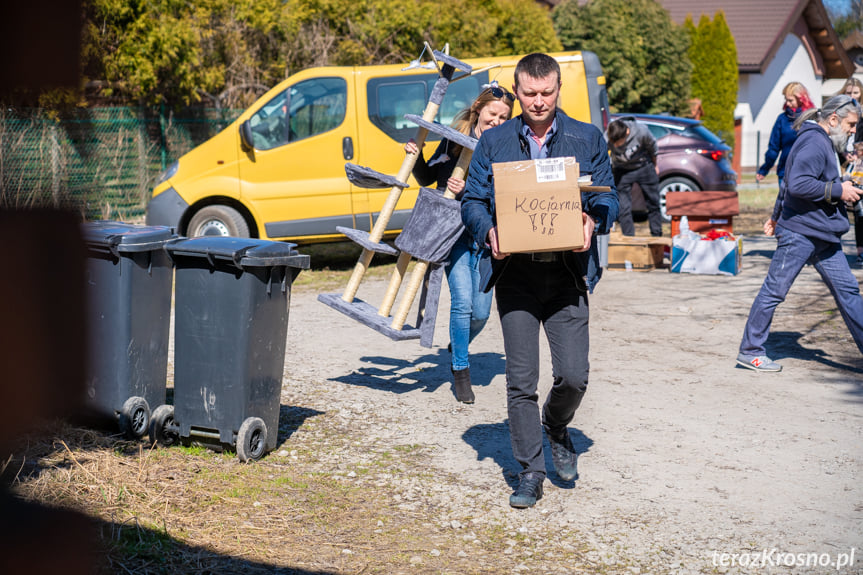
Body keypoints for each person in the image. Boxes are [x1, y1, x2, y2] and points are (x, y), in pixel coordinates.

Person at [461, 53, 619, 508]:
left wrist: (594, 220)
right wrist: (486, 230)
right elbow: (472, 200)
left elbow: (607, 196)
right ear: (518, 92)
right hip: (516, 276)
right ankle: (529, 472)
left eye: (546, 92)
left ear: (557, 90)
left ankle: (555, 424)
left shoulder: (586, 138)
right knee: (520, 380)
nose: (537, 101)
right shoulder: (494, 143)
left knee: (573, 376)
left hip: (567, 274)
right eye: (528, 94)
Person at [404, 85, 515, 404]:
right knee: (463, 302)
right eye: (493, 114)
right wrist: (416, 155)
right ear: (478, 108)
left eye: (504, 117)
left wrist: (472, 187)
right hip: (454, 233)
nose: (497, 122)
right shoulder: (455, 141)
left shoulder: (505, 146)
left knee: (480, 312)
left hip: (488, 235)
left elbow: (507, 191)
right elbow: (428, 179)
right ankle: (460, 370)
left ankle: (459, 342)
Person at [737, 94, 863, 372]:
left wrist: (840, 184)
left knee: (849, 293)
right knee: (774, 291)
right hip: (801, 233)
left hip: (823, 234)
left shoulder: (821, 142)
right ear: (833, 119)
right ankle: (750, 350)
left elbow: (793, 185)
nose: (854, 130)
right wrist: (837, 190)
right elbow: (796, 185)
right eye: (851, 124)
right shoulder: (814, 142)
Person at [606, 117, 662, 236]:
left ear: (627, 133)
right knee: (623, 206)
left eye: (618, 143)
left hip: (644, 167)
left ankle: (657, 234)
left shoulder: (641, 131)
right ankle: (628, 237)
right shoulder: (609, 135)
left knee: (653, 202)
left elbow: (653, 149)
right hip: (622, 170)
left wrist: (655, 165)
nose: (615, 145)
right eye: (613, 143)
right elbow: (601, 153)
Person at [756, 82, 815, 190]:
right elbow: (773, 148)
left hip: (808, 171)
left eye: (790, 100)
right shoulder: (782, 119)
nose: (787, 103)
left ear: (801, 99)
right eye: (786, 99)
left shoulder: (812, 118)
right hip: (785, 172)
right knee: (785, 205)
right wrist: (765, 169)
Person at [839, 77, 863, 267]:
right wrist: (844, 155)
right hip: (843, 168)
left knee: (860, 211)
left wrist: (859, 153)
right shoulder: (837, 116)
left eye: (855, 93)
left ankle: (861, 251)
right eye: (849, 92)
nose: (852, 96)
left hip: (859, 169)